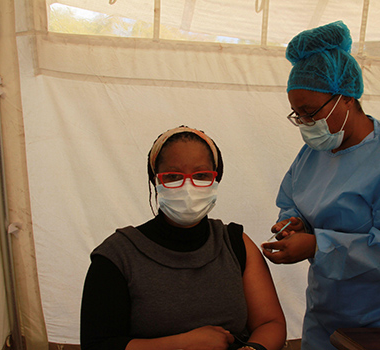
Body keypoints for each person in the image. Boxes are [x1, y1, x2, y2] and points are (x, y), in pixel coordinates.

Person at [260, 21, 380, 350]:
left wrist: (317, 247)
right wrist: (293, 223)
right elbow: (294, 201)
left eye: (309, 112)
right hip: (326, 318)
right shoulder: (313, 155)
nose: (305, 123)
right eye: (296, 114)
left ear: (346, 98)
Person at [81, 126, 286, 350]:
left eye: (201, 176)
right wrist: (183, 344)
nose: (188, 187)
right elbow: (97, 345)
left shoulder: (236, 244)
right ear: (155, 181)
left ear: (216, 179)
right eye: (172, 176)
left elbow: (270, 323)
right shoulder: (118, 255)